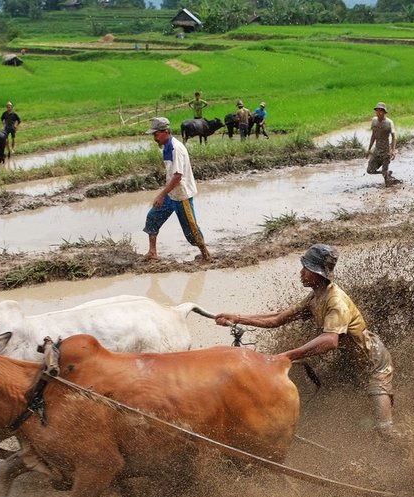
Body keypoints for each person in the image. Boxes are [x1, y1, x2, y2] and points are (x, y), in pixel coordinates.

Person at [214, 244, 399, 440]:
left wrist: (287, 356)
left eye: (306, 269)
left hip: (375, 364)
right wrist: (237, 318)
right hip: (351, 360)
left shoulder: (336, 302)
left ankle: (411, 451)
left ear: (319, 274)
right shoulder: (316, 296)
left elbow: (330, 341)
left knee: (384, 430)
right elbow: (278, 318)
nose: (301, 272)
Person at [142, 116, 211, 263]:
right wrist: (165, 194)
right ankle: (152, 252)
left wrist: (161, 194)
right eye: (154, 135)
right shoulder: (166, 147)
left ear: (165, 131)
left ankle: (206, 254)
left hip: (182, 195)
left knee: (191, 230)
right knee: (152, 217)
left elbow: (178, 176)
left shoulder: (175, 149)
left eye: (156, 134)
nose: (155, 138)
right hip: (172, 193)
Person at [367, 101, 398, 187]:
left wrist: (393, 150)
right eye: (377, 110)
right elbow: (373, 135)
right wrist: (369, 149)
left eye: (381, 111)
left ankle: (389, 189)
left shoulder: (389, 123)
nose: (379, 112)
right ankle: (386, 173)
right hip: (377, 150)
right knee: (370, 170)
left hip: (386, 152)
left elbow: (394, 137)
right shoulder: (374, 121)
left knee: (386, 181)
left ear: (384, 112)